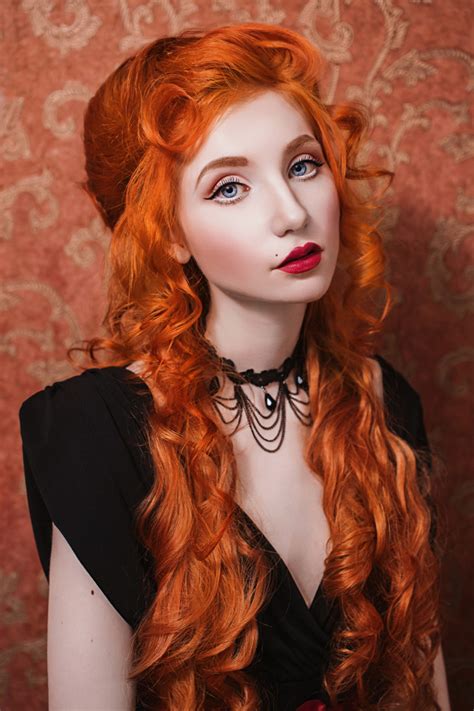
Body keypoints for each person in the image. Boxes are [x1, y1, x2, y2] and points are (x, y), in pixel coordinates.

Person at [18, 22, 450, 711]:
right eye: (228, 188)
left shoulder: (385, 400)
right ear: (167, 233)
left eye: (303, 166)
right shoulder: (92, 435)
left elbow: (426, 679)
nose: (291, 212)